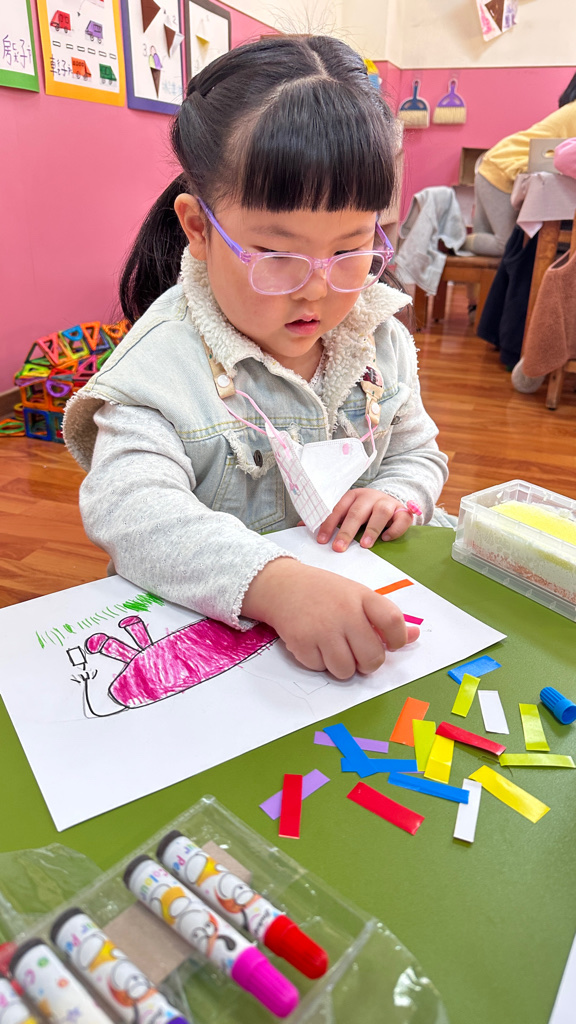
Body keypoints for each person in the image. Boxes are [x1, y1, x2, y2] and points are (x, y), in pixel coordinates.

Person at [64, 35, 449, 682]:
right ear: (198, 227)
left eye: (350, 249)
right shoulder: (161, 367)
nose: (317, 289)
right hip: (203, 657)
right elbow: (130, 511)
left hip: (348, 636)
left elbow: (418, 453)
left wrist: (397, 495)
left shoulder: (376, 336)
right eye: (277, 255)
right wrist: (275, 584)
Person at [464, 73, 576, 257]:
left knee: (498, 250)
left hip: (499, 165)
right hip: (502, 169)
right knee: (508, 248)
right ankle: (453, 240)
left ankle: (456, 241)